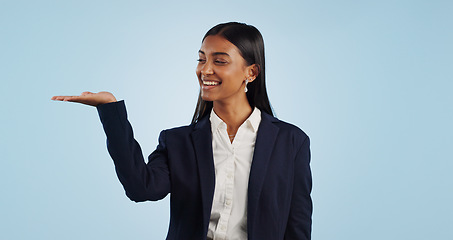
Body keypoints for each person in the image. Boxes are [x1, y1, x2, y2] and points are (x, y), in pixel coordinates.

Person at [52, 22, 312, 240]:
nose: (205, 70)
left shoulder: (291, 142)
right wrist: (110, 109)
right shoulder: (177, 142)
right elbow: (141, 189)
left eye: (219, 61)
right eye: (201, 59)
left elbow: (297, 225)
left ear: (251, 72)